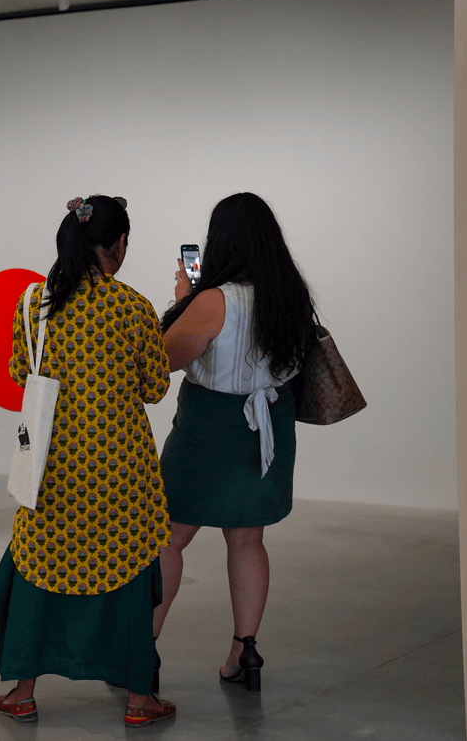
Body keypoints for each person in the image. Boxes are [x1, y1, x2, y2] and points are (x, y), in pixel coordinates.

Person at [0, 195, 177, 729]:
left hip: (53, 468)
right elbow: (155, 388)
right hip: (121, 471)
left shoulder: (33, 304)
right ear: (118, 244)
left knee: (37, 569)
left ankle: (23, 693)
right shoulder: (133, 307)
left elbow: (21, 372)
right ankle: (138, 700)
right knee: (130, 572)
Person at [152, 192, 316, 692]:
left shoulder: (213, 300)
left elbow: (163, 360)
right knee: (247, 540)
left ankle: (140, 648)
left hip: (209, 430)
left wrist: (183, 301)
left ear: (220, 240)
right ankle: (246, 651)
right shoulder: (290, 295)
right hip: (269, 428)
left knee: (167, 537)